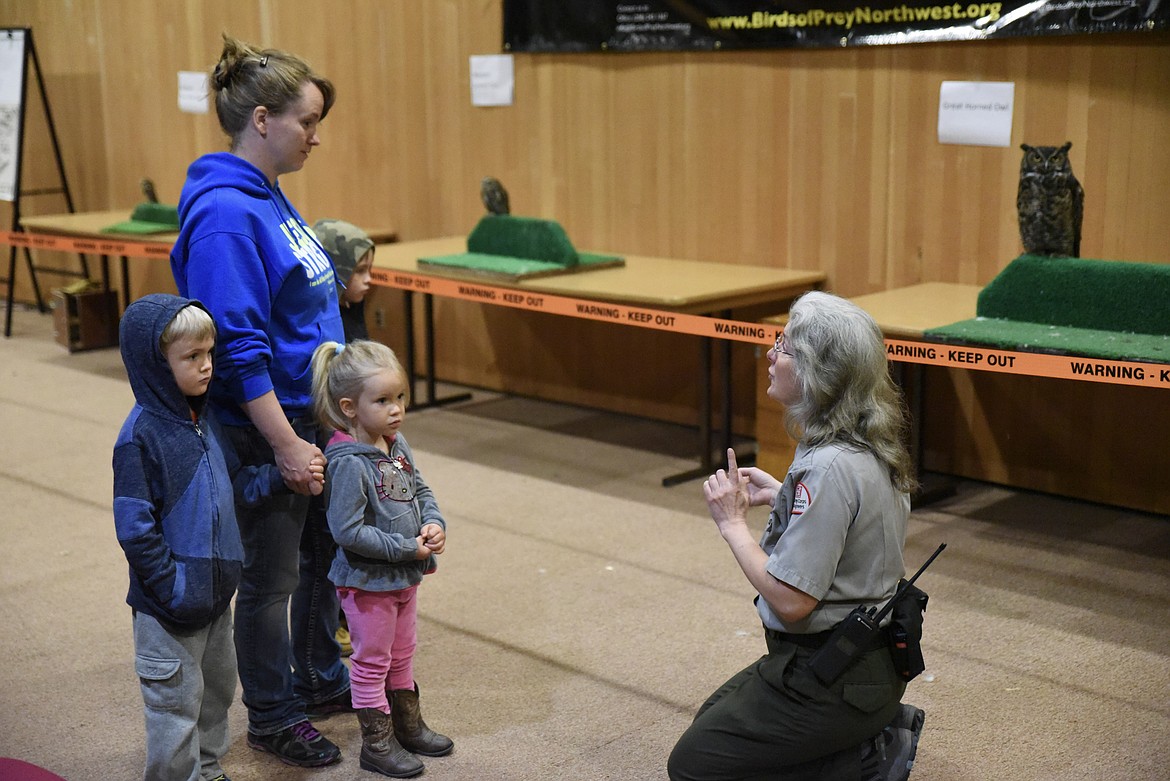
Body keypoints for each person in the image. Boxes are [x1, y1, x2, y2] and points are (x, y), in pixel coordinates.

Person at [169, 35, 350, 768]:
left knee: (318, 564)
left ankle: (318, 676)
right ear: (264, 119)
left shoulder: (267, 193)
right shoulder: (225, 214)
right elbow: (237, 350)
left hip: (311, 417)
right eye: (308, 122)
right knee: (271, 582)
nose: (316, 136)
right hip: (266, 425)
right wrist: (284, 443)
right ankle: (273, 715)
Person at [668, 290, 927, 781]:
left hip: (833, 674)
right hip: (858, 664)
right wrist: (786, 493)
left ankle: (867, 757)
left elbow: (791, 601)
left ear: (816, 372)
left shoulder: (828, 467)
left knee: (694, 768)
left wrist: (732, 526)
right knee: (710, 725)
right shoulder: (863, 444)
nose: (771, 352)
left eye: (784, 346)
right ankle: (863, 734)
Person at [112, 294, 295, 781]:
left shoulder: (205, 420)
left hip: (216, 600)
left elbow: (234, 488)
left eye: (209, 354)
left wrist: (281, 475)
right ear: (154, 364)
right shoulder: (140, 437)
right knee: (174, 708)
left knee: (216, 696)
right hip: (168, 610)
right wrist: (172, 587)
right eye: (191, 358)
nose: (207, 367)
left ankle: (210, 772)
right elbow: (134, 526)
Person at [310, 339, 454, 778]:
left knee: (403, 652)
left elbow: (421, 491)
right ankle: (377, 744)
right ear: (350, 407)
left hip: (405, 576)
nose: (396, 409)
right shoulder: (349, 464)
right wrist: (406, 547)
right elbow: (348, 532)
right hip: (368, 582)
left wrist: (433, 523)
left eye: (400, 398)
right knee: (372, 661)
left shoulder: (395, 442)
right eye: (383, 400)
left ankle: (407, 726)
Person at [308, 218, 378, 660]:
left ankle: (352, 610)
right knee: (336, 533)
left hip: (361, 443)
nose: (369, 279)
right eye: (360, 270)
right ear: (334, 272)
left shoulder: (352, 312)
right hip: (337, 448)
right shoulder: (328, 323)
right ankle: (335, 619)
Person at [313, 218, 375, 342]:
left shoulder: (351, 304)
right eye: (360, 270)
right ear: (337, 271)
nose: (369, 279)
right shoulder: (320, 329)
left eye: (369, 269)